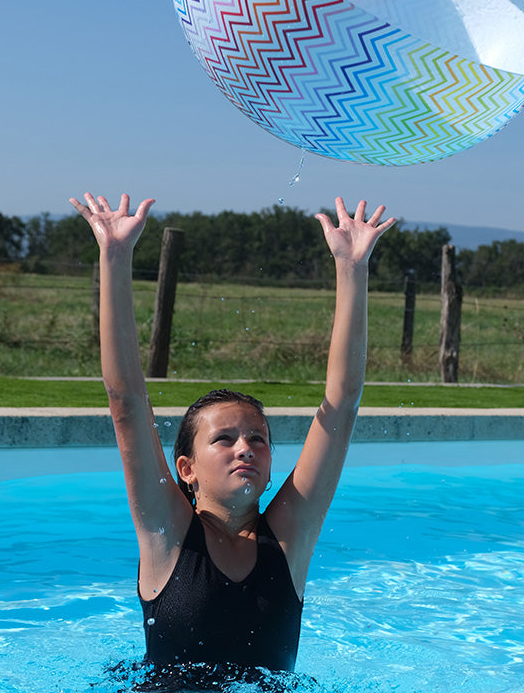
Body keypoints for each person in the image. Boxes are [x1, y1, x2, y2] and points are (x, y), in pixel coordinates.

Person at [70, 192, 395, 688]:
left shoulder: (289, 536)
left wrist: (352, 267)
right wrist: (113, 256)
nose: (246, 448)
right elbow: (126, 402)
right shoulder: (167, 533)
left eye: (258, 440)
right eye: (223, 439)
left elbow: (343, 403)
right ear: (187, 469)